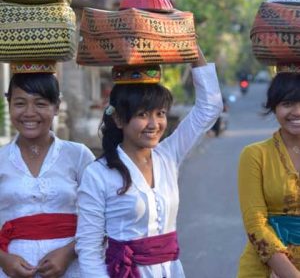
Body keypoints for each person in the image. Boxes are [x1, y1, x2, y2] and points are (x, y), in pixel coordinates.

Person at [75, 46, 223, 278]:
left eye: (160, 113)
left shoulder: (167, 155)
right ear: (119, 119)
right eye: (143, 115)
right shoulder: (98, 174)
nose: (154, 124)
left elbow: (209, 108)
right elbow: (89, 250)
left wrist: (192, 49)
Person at [0, 72, 95, 278]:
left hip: (73, 269)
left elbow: (102, 217)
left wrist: (68, 253)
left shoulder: (78, 155)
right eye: (20, 103)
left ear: (56, 107)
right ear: (9, 105)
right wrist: (3, 259)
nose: (29, 113)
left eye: (40, 104)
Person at [238, 72, 300, 278]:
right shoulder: (255, 155)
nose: (297, 112)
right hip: (264, 266)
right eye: (288, 103)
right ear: (274, 106)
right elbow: (255, 224)